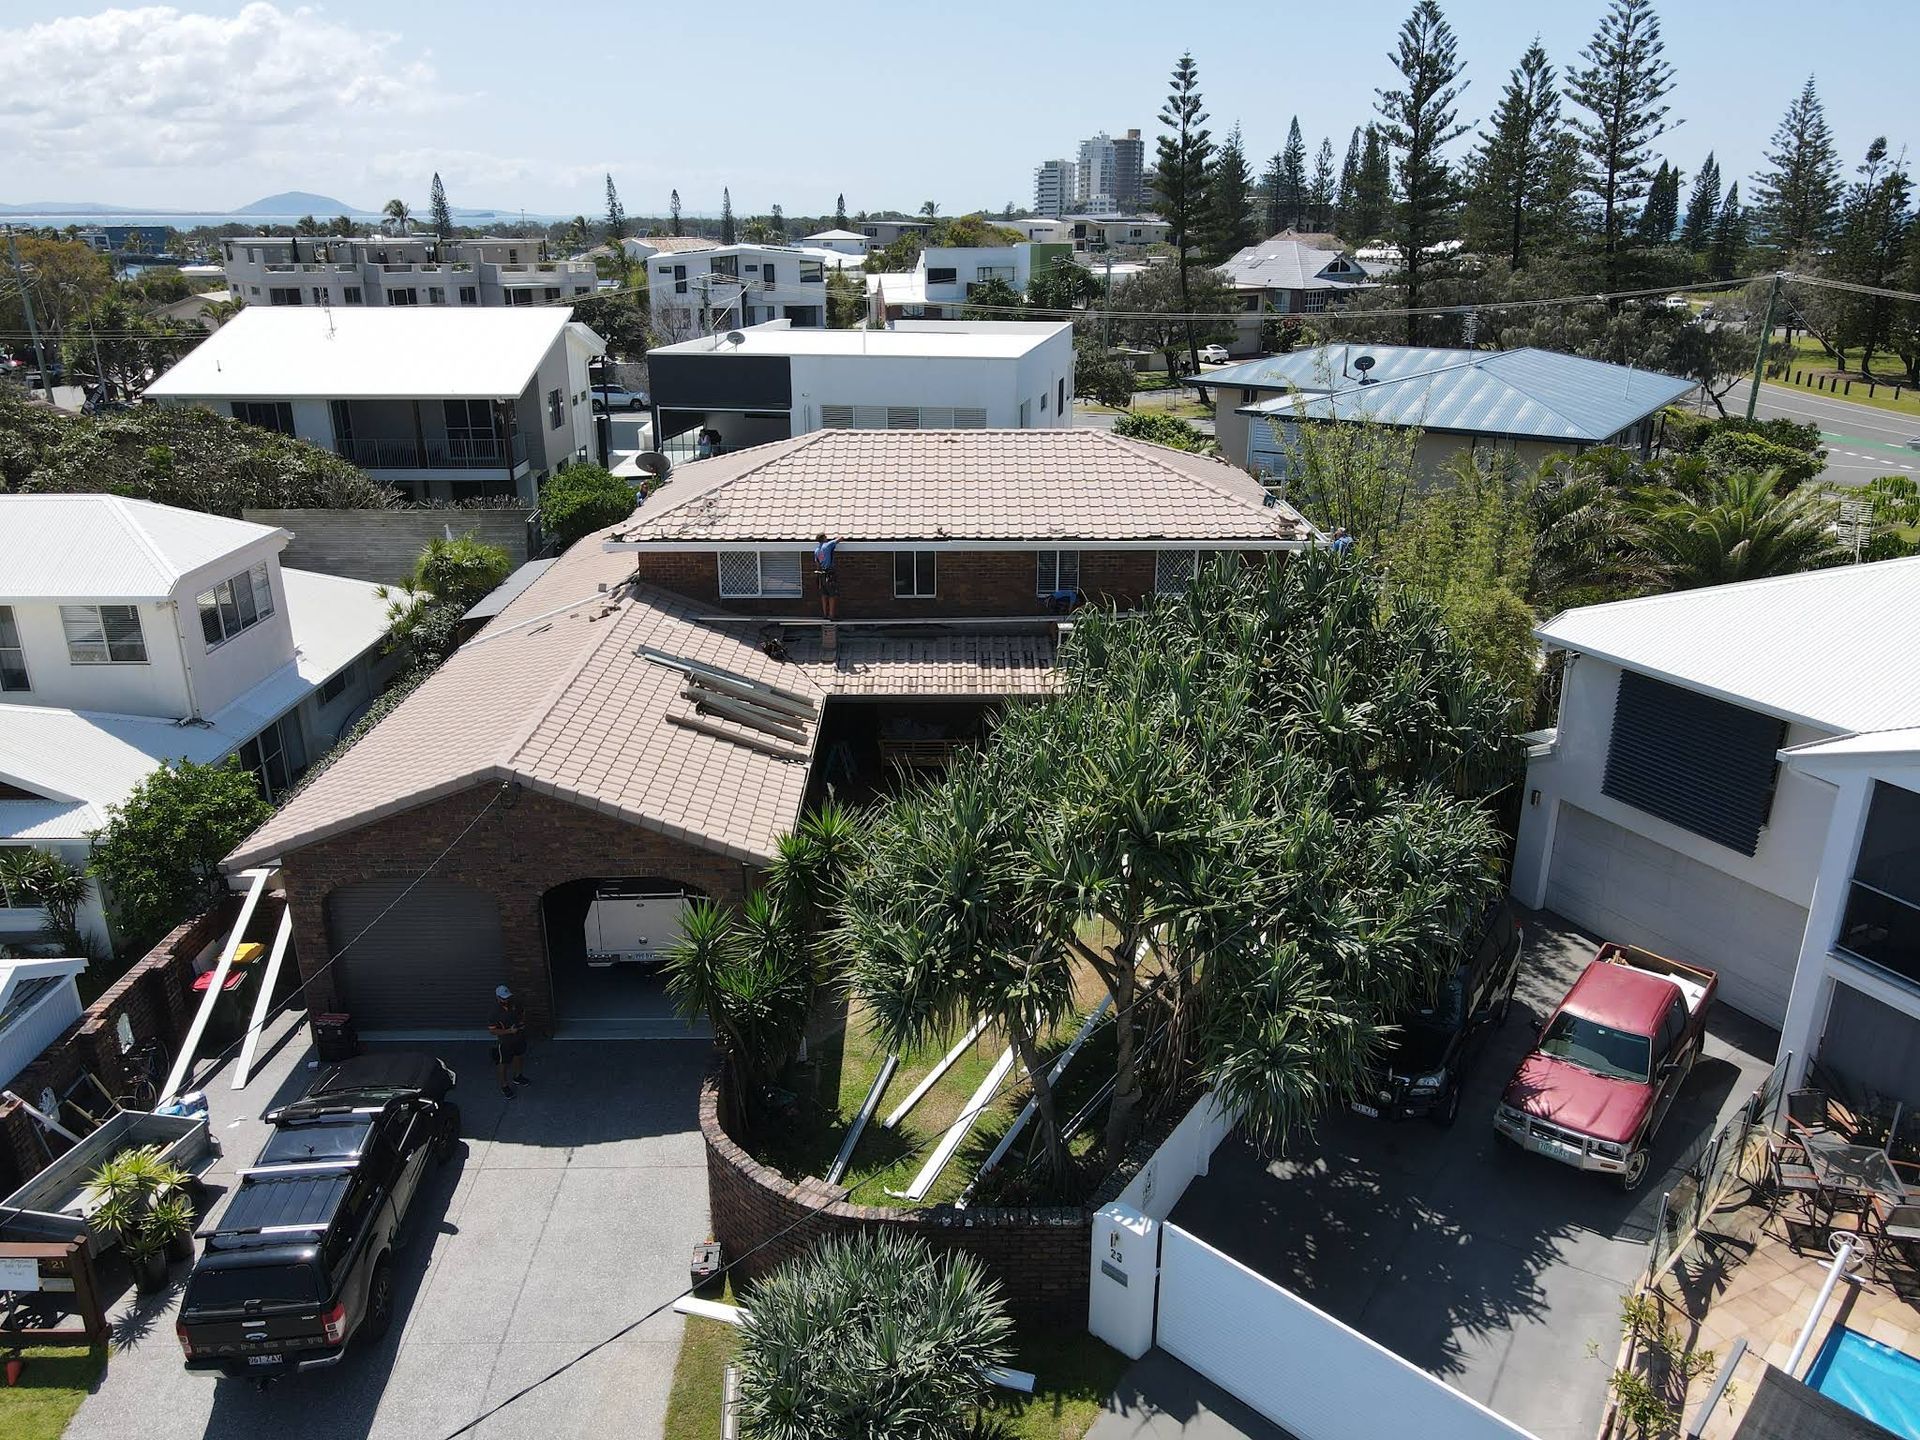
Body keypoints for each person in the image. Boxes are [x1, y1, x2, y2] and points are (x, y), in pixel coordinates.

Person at [489, 984, 529, 1096]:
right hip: (505, 1041)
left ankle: (518, 1076)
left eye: (507, 997)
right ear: (498, 998)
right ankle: (504, 1085)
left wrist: (522, 1022)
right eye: (503, 998)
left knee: (519, 1056)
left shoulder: (515, 1003)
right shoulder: (494, 1012)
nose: (506, 1000)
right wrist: (509, 1031)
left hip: (518, 1037)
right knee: (503, 1063)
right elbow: (492, 1031)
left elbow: (522, 1012)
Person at [813, 532, 842, 621]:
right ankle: (831, 615)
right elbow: (840, 538)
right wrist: (835, 537)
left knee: (824, 594)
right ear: (824, 538)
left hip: (821, 575)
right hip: (829, 574)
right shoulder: (828, 545)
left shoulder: (817, 550)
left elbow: (817, 564)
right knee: (832, 595)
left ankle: (825, 614)